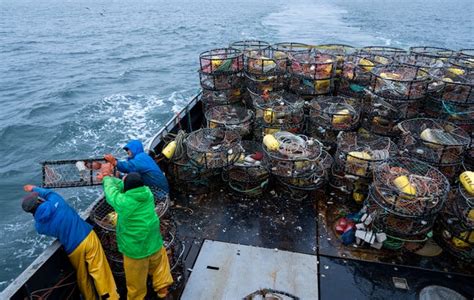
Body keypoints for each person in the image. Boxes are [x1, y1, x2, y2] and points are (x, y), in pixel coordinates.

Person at [22, 185, 119, 300]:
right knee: (99, 270)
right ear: (39, 200)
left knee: (82, 277)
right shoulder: (56, 201)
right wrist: (33, 188)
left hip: (73, 249)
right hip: (87, 237)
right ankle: (110, 297)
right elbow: (48, 193)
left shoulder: (40, 227)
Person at [100, 171, 173, 299]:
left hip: (135, 250)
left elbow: (111, 194)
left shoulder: (123, 202)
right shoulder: (147, 193)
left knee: (135, 281)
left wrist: (106, 178)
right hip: (154, 242)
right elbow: (126, 186)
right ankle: (163, 291)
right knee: (160, 266)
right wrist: (113, 179)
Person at [104, 140, 169, 194]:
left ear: (134, 148)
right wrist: (120, 176)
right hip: (156, 188)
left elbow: (129, 167)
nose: (127, 151)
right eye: (126, 150)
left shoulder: (141, 158)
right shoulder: (142, 156)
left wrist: (115, 162)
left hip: (159, 192)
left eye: (128, 149)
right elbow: (133, 174)